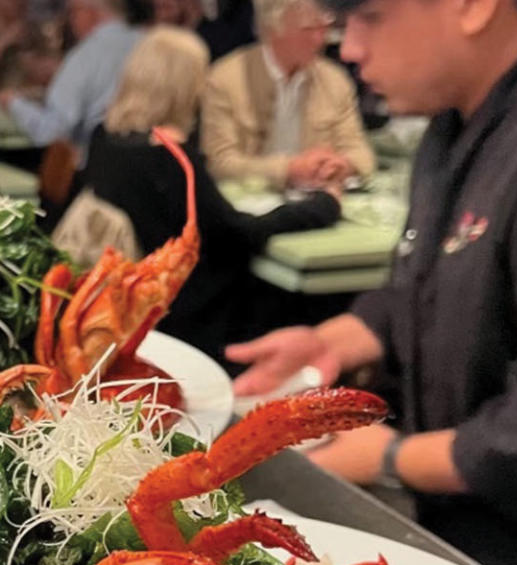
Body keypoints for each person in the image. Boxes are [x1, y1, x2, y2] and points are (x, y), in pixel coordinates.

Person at [227, 0, 517, 565]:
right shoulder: (449, 128)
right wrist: (328, 338)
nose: (349, 49)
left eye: (368, 18)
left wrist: (389, 456)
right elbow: (422, 290)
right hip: (457, 533)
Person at [82, 28, 340, 361]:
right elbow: (235, 234)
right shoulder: (174, 158)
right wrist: (323, 205)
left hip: (133, 302)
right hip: (191, 314)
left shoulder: (103, 138)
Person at [203, 0, 374, 189]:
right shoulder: (225, 79)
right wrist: (289, 170)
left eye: (324, 28)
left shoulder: (334, 80)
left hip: (318, 204)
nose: (320, 40)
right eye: (309, 29)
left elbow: (361, 153)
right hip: (249, 208)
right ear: (273, 28)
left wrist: (342, 164)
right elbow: (220, 164)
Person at [0, 0, 140, 163]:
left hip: (100, 171)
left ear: (90, 13)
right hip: (154, 167)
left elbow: (53, 133)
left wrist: (14, 103)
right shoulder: (151, 44)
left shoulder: (84, 57)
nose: (70, 20)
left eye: (73, 11)